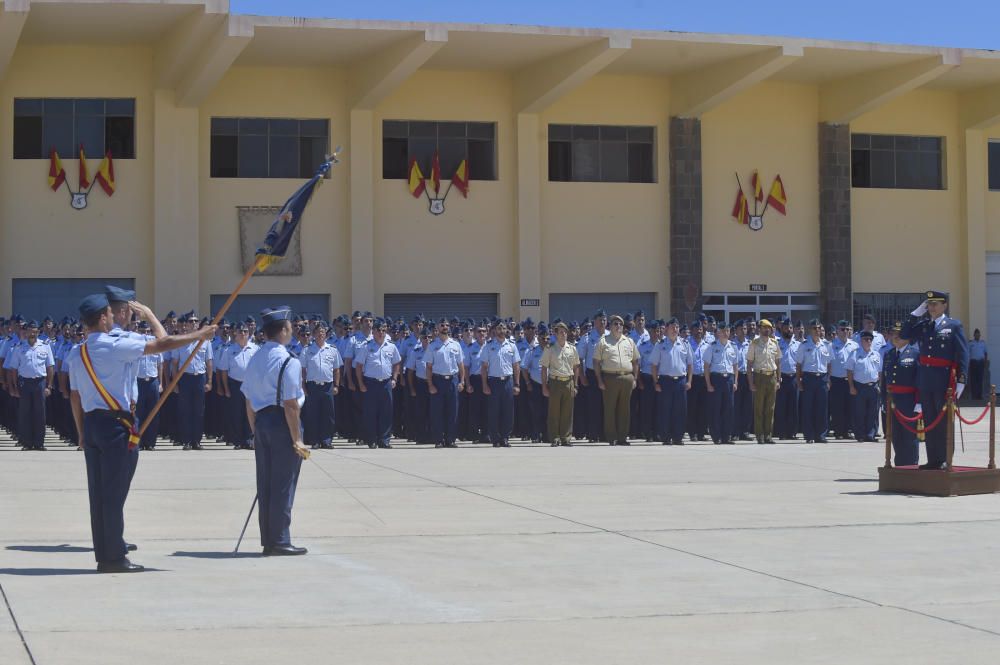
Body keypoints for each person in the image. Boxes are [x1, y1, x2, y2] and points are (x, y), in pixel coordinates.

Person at [70, 293, 216, 572]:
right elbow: (164, 343)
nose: (114, 318)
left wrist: (81, 433)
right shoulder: (116, 345)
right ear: (102, 319)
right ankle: (113, 558)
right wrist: (200, 334)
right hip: (116, 426)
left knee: (99, 495)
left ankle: (106, 551)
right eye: (110, 315)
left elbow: (75, 397)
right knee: (113, 495)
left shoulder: (77, 352)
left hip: (92, 425)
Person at [241, 305, 310, 557]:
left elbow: (248, 400)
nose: (291, 332)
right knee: (283, 484)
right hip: (282, 424)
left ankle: (269, 540)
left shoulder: (255, 357)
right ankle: (280, 539)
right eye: (290, 328)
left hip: (261, 423)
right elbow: (291, 405)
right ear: (282, 331)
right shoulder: (289, 360)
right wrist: (298, 439)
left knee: (266, 483)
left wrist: (255, 430)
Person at [901, 291, 970, 470]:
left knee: (944, 422)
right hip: (925, 380)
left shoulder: (954, 325)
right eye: (929, 304)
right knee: (930, 421)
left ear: (944, 305)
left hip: (944, 381)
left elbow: (963, 353)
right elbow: (904, 334)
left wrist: (961, 380)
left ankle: (946, 458)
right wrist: (915, 314)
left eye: (935, 304)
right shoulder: (924, 325)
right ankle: (933, 459)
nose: (931, 307)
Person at [354, 318, 402, 449]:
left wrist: (394, 379)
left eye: (383, 330)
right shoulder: (367, 347)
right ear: (373, 331)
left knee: (386, 412)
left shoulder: (391, 346)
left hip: (386, 383)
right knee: (370, 413)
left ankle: (384, 440)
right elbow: (359, 366)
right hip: (370, 383)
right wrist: (361, 384)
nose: (381, 333)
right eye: (379, 330)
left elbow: (397, 362)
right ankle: (371, 440)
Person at [6, 320, 55, 450]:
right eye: (30, 331)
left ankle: (39, 443)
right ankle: (26, 443)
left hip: (40, 382)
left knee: (40, 414)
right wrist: (14, 387)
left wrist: (49, 386)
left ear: (38, 332)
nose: (32, 333)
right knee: (24, 414)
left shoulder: (45, 346)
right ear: (26, 332)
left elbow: (50, 367)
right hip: (24, 383)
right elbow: (13, 369)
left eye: (35, 331)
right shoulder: (19, 348)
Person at [592, 315, 640, 445]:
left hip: (627, 378)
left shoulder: (629, 341)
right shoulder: (603, 341)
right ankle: (611, 437)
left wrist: (635, 378)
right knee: (610, 409)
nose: (618, 326)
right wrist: (600, 380)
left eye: (620, 324)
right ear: (610, 326)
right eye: (615, 324)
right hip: (610, 378)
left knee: (625, 410)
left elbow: (636, 361)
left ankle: (622, 437)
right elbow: (596, 362)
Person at [172, 312, 213, 450]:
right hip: (185, 378)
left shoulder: (205, 342)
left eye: (196, 321)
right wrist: (175, 383)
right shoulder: (181, 341)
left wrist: (210, 381)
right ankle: (187, 441)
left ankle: (197, 440)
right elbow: (175, 364)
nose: (194, 323)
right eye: (191, 321)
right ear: (186, 324)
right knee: (185, 411)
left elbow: (209, 362)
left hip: (199, 378)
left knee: (199, 411)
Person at [300, 320, 342, 450]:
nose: (320, 335)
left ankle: (326, 440)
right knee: (313, 414)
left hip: (327, 386)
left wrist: (336, 385)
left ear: (326, 335)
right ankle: (315, 440)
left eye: (322, 332)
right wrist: (303, 387)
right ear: (313, 334)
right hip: (312, 386)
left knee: (328, 415)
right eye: (318, 332)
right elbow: (302, 370)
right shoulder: (307, 350)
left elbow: (337, 370)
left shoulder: (332, 350)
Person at [884, 321, 921, 466]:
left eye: (899, 334)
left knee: (909, 435)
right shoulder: (889, 354)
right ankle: (900, 464)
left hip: (909, 401)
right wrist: (883, 401)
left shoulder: (915, 354)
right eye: (893, 334)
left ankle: (911, 464)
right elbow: (884, 380)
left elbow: (919, 380)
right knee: (895, 434)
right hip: (893, 400)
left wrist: (919, 402)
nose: (895, 337)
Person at [652, 317, 693, 445]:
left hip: (680, 381)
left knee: (680, 411)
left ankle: (678, 437)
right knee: (665, 410)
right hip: (665, 381)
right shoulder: (661, 345)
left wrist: (689, 381)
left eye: (676, 327)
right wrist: (655, 382)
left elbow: (690, 364)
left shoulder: (685, 344)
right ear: (667, 330)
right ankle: (665, 437)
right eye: (672, 327)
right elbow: (654, 365)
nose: (675, 330)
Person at [218, 321, 258, 449]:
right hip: (235, 384)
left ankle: (249, 439)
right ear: (235, 334)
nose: (243, 334)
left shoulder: (255, 349)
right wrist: (226, 388)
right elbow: (223, 371)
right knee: (236, 413)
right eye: (240, 331)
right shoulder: (229, 350)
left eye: (245, 331)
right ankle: (238, 441)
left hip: (251, 385)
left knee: (250, 413)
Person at [426, 318, 466, 448]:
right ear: (438, 327)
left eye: (447, 325)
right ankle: (438, 440)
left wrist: (462, 381)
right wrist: (430, 385)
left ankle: (451, 439)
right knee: (437, 412)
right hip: (438, 381)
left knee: (452, 411)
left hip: (453, 380)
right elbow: (429, 367)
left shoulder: (456, 344)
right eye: (442, 325)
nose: (445, 327)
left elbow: (461, 365)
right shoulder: (432, 345)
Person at [480, 320, 521, 447]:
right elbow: (484, 367)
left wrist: (517, 384)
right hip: (493, 382)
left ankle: (505, 437)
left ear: (506, 330)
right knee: (493, 412)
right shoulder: (489, 346)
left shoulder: (512, 346)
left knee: (508, 412)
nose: (501, 330)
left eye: (503, 328)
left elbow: (516, 366)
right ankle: (495, 438)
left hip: (508, 381)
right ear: (494, 330)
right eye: (498, 328)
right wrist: (485, 385)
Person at [541, 321, 580, 446]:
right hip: (555, 382)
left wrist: (575, 385)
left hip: (568, 381)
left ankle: (566, 437)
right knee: (554, 412)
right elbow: (544, 368)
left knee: (567, 412)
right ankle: (554, 438)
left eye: (565, 332)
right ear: (556, 334)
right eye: (561, 332)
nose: (563, 334)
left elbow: (576, 367)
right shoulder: (550, 348)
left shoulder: (572, 348)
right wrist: (544, 386)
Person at [794, 320, 832, 443]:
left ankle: (821, 435)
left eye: (819, 328)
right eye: (814, 328)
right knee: (808, 408)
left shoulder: (826, 345)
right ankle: (809, 435)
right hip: (808, 378)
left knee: (822, 408)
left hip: (822, 378)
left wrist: (828, 379)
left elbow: (829, 363)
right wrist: (799, 382)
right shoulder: (804, 345)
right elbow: (799, 365)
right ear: (810, 330)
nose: (817, 330)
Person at [747, 319, 781, 444]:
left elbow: (778, 362)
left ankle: (768, 435)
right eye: (764, 328)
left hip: (771, 376)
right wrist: (751, 383)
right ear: (759, 329)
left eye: (769, 328)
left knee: (770, 408)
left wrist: (778, 379)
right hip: (759, 376)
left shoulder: (774, 343)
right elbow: (749, 364)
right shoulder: (754, 343)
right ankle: (759, 435)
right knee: (759, 408)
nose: (767, 330)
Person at [703, 321, 738, 444]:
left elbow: (735, 366)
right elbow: (706, 366)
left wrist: (735, 382)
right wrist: (708, 384)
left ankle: (726, 436)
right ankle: (716, 436)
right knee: (716, 409)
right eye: (723, 331)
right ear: (718, 333)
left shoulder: (733, 346)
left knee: (728, 409)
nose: (726, 333)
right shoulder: (712, 346)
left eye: (727, 331)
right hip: (716, 379)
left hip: (729, 379)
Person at [847, 330, 883, 442]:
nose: (868, 341)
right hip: (860, 386)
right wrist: (851, 387)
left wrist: (879, 385)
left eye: (870, 340)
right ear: (861, 341)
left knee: (873, 412)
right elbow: (849, 371)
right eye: (865, 339)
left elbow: (880, 372)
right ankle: (860, 435)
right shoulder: (854, 353)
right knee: (860, 412)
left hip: (873, 386)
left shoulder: (876, 354)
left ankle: (870, 434)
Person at [134, 321, 163, 451]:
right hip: (139, 382)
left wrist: (161, 383)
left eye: (147, 331)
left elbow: (160, 365)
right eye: (142, 331)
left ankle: (150, 442)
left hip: (152, 381)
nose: (145, 334)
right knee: (138, 414)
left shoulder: (155, 346)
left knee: (153, 414)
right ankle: (138, 442)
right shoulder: (135, 347)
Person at [829, 321, 858, 440]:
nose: (845, 331)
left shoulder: (855, 345)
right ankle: (838, 431)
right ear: (837, 331)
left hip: (850, 381)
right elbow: (828, 364)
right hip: (837, 380)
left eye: (847, 329)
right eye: (842, 329)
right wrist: (829, 379)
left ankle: (848, 430)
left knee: (850, 407)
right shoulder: (831, 345)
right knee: (837, 408)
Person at [775, 318, 800, 440]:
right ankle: (782, 432)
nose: (788, 330)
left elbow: (801, 363)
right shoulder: (777, 343)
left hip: (794, 377)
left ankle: (792, 432)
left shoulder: (798, 345)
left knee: (793, 407)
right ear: (781, 329)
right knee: (781, 407)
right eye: (786, 328)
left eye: (790, 328)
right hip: (782, 378)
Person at [521, 324, 548, 443]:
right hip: (536, 385)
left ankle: (547, 435)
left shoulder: (552, 350)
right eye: (543, 338)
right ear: (539, 337)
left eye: (547, 338)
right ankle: (536, 434)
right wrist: (527, 383)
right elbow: (524, 368)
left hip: (549, 385)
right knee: (536, 412)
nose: (545, 340)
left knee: (548, 411)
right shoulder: (532, 351)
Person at [732, 320, 754, 440]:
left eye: (745, 328)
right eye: (741, 328)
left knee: (747, 405)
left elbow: (752, 361)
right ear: (736, 330)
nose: (744, 331)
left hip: (748, 376)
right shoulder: (732, 344)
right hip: (737, 376)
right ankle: (735, 431)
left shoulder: (750, 344)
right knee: (736, 405)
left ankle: (745, 431)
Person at [968, 329, 988, 401]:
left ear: (980, 335)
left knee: (980, 380)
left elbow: (985, 353)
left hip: (980, 363)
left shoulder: (983, 343)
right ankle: (974, 395)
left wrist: (985, 362)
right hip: (973, 363)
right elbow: (968, 353)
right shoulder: (970, 343)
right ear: (974, 335)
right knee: (973, 380)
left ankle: (979, 395)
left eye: (978, 334)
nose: (977, 335)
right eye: (976, 334)